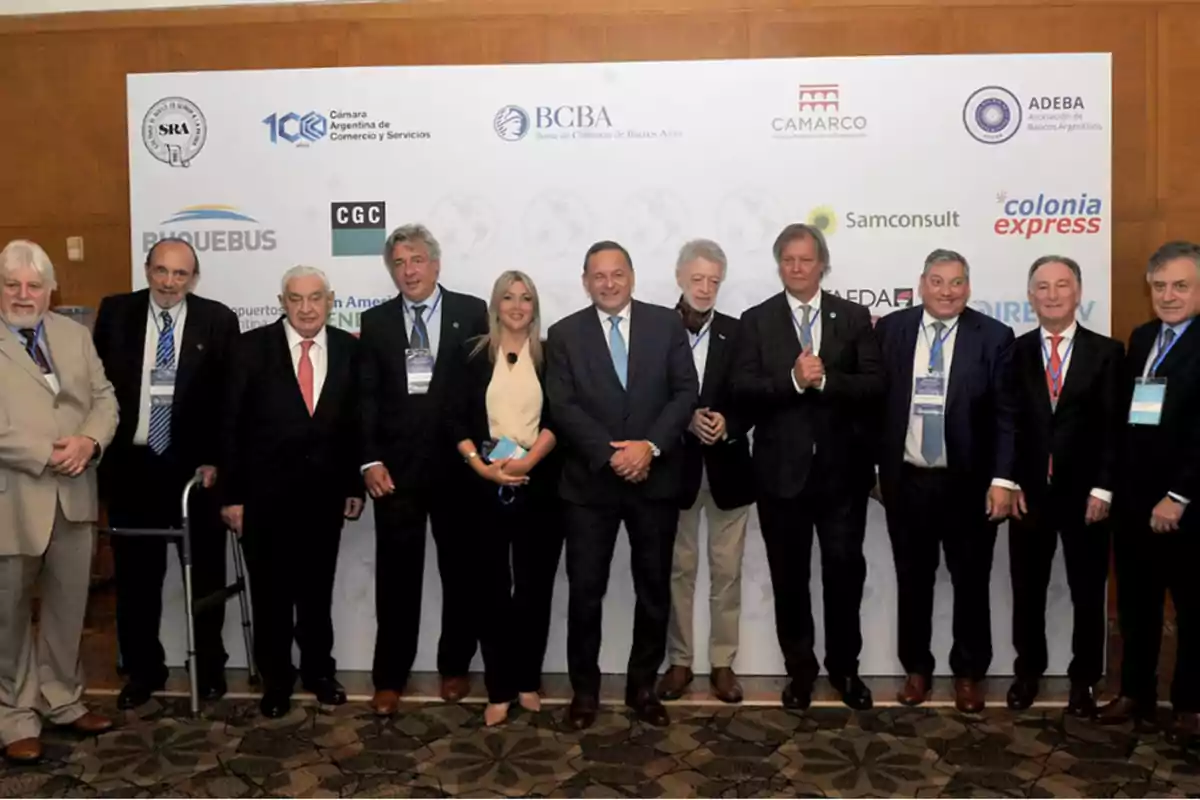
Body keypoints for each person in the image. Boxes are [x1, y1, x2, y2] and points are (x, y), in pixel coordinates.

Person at [545, 240, 698, 730]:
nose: (608, 284)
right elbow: (562, 407)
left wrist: (647, 448)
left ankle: (642, 688)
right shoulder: (564, 333)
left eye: (617, 274)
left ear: (632, 276)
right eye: (598, 276)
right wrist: (612, 455)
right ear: (585, 281)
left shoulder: (666, 324)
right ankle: (584, 694)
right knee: (585, 593)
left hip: (654, 480)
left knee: (653, 589)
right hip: (589, 487)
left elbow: (685, 392)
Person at [731, 224, 883, 711]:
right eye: (789, 260)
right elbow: (743, 390)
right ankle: (800, 673)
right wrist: (793, 382)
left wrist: (826, 381)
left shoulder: (854, 317)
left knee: (844, 576)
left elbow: (875, 387)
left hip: (843, 476)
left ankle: (845, 670)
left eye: (806, 259)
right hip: (780, 477)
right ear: (779, 265)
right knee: (789, 579)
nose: (798, 268)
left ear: (823, 264)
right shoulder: (755, 321)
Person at [93, 237, 241, 709]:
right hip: (132, 466)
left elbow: (229, 402)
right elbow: (94, 389)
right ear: (147, 269)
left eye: (180, 274)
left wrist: (218, 459)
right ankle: (143, 670)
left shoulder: (218, 320)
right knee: (137, 579)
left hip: (195, 473)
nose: (170, 282)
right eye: (161, 271)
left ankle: (210, 667)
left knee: (206, 577)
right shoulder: (116, 313)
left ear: (193, 278)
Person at [874, 248, 1016, 714]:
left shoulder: (994, 336)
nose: (947, 291)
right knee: (912, 580)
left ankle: (970, 674)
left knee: (971, 583)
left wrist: (1002, 479)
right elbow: (874, 406)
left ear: (968, 288)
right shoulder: (892, 330)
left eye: (956, 282)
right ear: (921, 283)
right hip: (908, 481)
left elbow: (1005, 415)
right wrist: (875, 469)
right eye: (937, 281)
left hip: (969, 486)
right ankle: (916, 669)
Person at [219, 266, 364, 719]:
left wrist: (353, 484)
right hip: (264, 499)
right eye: (296, 299)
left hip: (324, 498)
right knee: (271, 597)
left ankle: (319, 672)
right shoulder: (249, 348)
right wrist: (231, 496)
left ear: (330, 300)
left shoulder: (347, 350)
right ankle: (277, 680)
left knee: (317, 595)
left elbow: (356, 423)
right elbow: (230, 427)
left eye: (315, 298)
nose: (306, 308)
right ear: (282, 302)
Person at [359, 224, 489, 715]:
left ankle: (455, 668)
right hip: (395, 474)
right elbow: (366, 399)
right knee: (396, 580)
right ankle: (389, 678)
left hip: (460, 470)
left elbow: (485, 391)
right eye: (398, 262)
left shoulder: (471, 312)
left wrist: (485, 457)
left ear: (436, 264)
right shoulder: (376, 323)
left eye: (416, 260)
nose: (408, 271)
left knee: (461, 575)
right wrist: (369, 460)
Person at [0, 240, 118, 763]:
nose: (23, 295)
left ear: (52, 290)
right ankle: (14, 714)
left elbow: (104, 398)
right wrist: (44, 453)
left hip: (74, 494)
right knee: (8, 615)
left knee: (70, 607)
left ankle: (62, 700)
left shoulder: (73, 335)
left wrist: (90, 441)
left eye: (34, 285)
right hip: (14, 497)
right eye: (12, 285)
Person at [1005, 256, 1123, 716]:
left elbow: (1115, 428)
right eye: (1042, 287)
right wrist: (1008, 480)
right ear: (1030, 296)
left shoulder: (1107, 352)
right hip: (1028, 493)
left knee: (1088, 592)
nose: (1052, 295)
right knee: (1027, 590)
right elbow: (1008, 424)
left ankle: (1084, 681)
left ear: (1078, 292)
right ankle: (1027, 672)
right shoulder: (1012, 353)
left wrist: (1105, 489)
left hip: (1086, 496)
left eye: (1062, 285)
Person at [447, 270, 563, 727]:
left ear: (535, 307)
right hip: (482, 488)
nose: (517, 305)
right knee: (489, 592)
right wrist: (481, 465)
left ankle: (528, 680)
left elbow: (560, 418)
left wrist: (528, 462)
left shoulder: (552, 356)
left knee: (534, 590)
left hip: (540, 489)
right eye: (509, 297)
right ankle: (498, 687)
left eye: (526, 298)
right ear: (496, 304)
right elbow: (453, 418)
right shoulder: (471, 354)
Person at [1099, 240, 1200, 746]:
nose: (1168, 295)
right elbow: (1130, 421)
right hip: (1135, 502)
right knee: (1137, 604)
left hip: (1188, 506)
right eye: (1159, 286)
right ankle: (1134, 693)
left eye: (1180, 286)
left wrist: (1179, 496)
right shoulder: (1141, 339)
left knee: (1191, 609)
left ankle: (1189, 706)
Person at [657, 240, 755, 705]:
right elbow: (643, 398)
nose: (705, 288)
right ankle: (679, 662)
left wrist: (730, 424)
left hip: (728, 470)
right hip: (673, 469)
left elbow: (754, 395)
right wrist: (683, 418)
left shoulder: (740, 333)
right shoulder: (654, 329)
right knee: (678, 571)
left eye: (714, 280)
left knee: (727, 573)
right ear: (679, 277)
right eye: (697, 278)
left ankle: (722, 664)